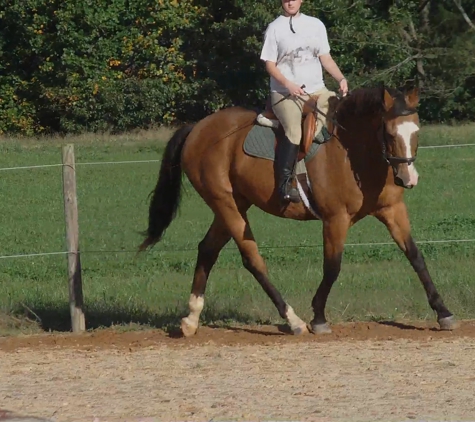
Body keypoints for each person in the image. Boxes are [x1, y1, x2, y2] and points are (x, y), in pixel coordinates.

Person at [260, 0, 348, 204]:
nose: (290, 2)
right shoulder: (274, 28)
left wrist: (341, 78)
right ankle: (284, 185)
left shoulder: (316, 25)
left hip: (317, 90)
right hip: (285, 93)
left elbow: (325, 58)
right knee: (294, 131)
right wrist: (288, 84)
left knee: (340, 112)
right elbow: (270, 66)